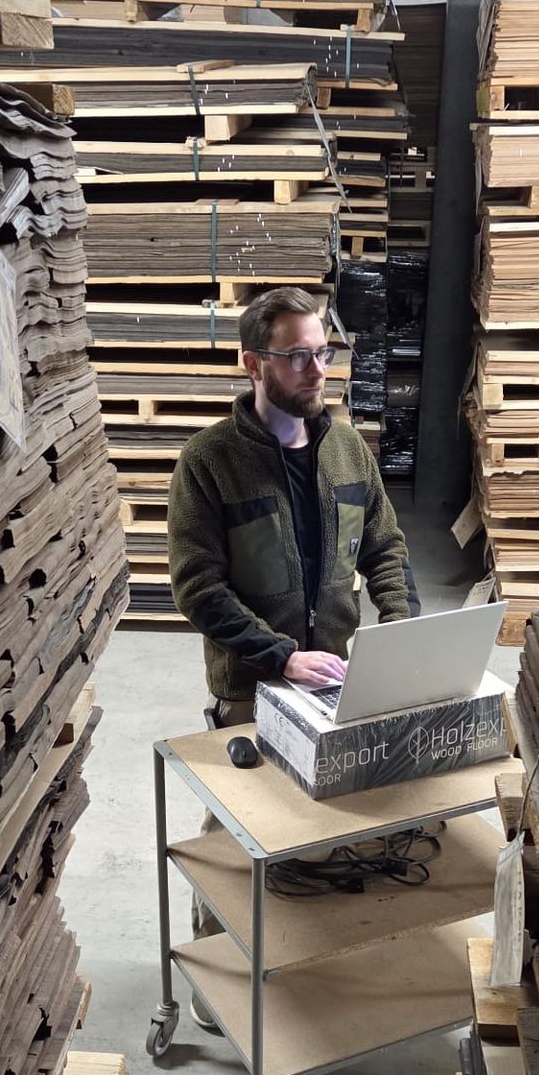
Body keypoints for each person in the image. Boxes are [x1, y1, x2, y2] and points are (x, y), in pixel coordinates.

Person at [167, 285, 419, 1028]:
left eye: (324, 352)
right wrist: (279, 657)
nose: (317, 370)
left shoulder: (347, 450)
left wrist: (399, 628)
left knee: (323, 819)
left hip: (336, 676)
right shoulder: (210, 462)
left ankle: (305, 953)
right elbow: (198, 588)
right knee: (234, 834)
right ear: (254, 364)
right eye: (298, 356)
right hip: (252, 687)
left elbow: (386, 547)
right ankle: (214, 969)